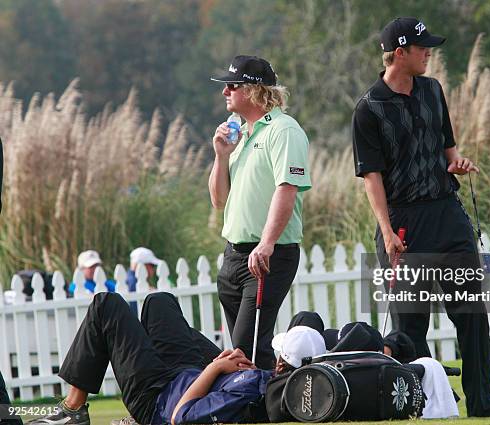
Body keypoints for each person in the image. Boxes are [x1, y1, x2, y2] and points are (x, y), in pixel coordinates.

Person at [351, 17, 490, 418]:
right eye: (423, 47)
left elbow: (447, 148)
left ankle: (483, 400)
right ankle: (427, 400)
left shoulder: (432, 90)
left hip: (447, 213)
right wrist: (387, 232)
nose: (429, 53)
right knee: (410, 328)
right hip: (404, 222)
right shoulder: (369, 108)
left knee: (471, 313)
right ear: (400, 52)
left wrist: (457, 164)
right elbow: (372, 180)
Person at [26, 292, 325, 425]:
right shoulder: (271, 383)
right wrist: (230, 364)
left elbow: (179, 416)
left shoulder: (250, 392)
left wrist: (215, 367)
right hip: (186, 374)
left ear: (282, 362)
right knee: (160, 302)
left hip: (157, 399)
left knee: (107, 305)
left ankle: (72, 411)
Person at [208, 55, 311, 369]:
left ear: (253, 90)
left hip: (269, 254)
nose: (225, 91)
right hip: (233, 257)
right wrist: (221, 156)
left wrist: (266, 244)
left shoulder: (284, 131)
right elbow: (219, 200)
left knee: (243, 350)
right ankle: (270, 406)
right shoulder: (240, 135)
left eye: (232, 85)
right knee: (253, 351)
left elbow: (287, 189)